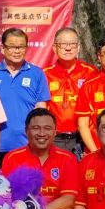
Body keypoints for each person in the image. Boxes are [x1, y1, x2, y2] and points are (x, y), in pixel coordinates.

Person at [0, 28, 50, 162]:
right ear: (2, 48)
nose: (17, 51)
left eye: (21, 47)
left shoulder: (37, 73)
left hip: (27, 146)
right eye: (12, 46)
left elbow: (41, 111)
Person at [44, 27, 99, 157]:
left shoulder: (91, 73)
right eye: (63, 44)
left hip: (82, 138)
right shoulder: (44, 74)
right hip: (54, 139)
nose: (68, 48)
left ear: (78, 47)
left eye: (72, 44)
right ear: (54, 48)